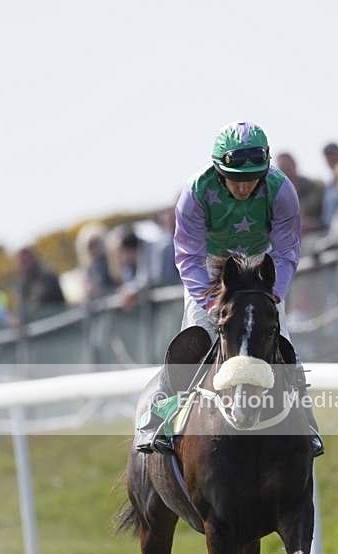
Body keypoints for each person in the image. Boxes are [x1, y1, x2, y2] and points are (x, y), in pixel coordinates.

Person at [135, 120, 323, 457]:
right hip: (210, 265)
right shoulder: (195, 192)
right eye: (236, 179)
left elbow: (286, 251)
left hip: (260, 263)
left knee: (280, 338)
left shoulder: (281, 191)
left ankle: (306, 422)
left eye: (252, 178)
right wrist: (210, 303)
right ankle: (159, 417)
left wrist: (272, 293)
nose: (244, 187)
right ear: (220, 172)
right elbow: (187, 255)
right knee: (194, 336)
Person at [276, 151, 324, 232]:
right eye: (282, 169)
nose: (286, 172)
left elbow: (327, 218)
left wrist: (313, 224)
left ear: (294, 165)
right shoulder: (275, 194)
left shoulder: (314, 188)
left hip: (314, 234)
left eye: (288, 167)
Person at [15, 246, 65, 322]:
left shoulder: (48, 277)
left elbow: (41, 301)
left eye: (26, 261)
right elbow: (22, 308)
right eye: (22, 262)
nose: (25, 265)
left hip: (56, 319)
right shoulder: (23, 284)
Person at [321, 142, 338, 228]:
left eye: (333, 154)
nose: (331, 158)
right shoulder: (328, 186)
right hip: (330, 231)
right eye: (327, 156)